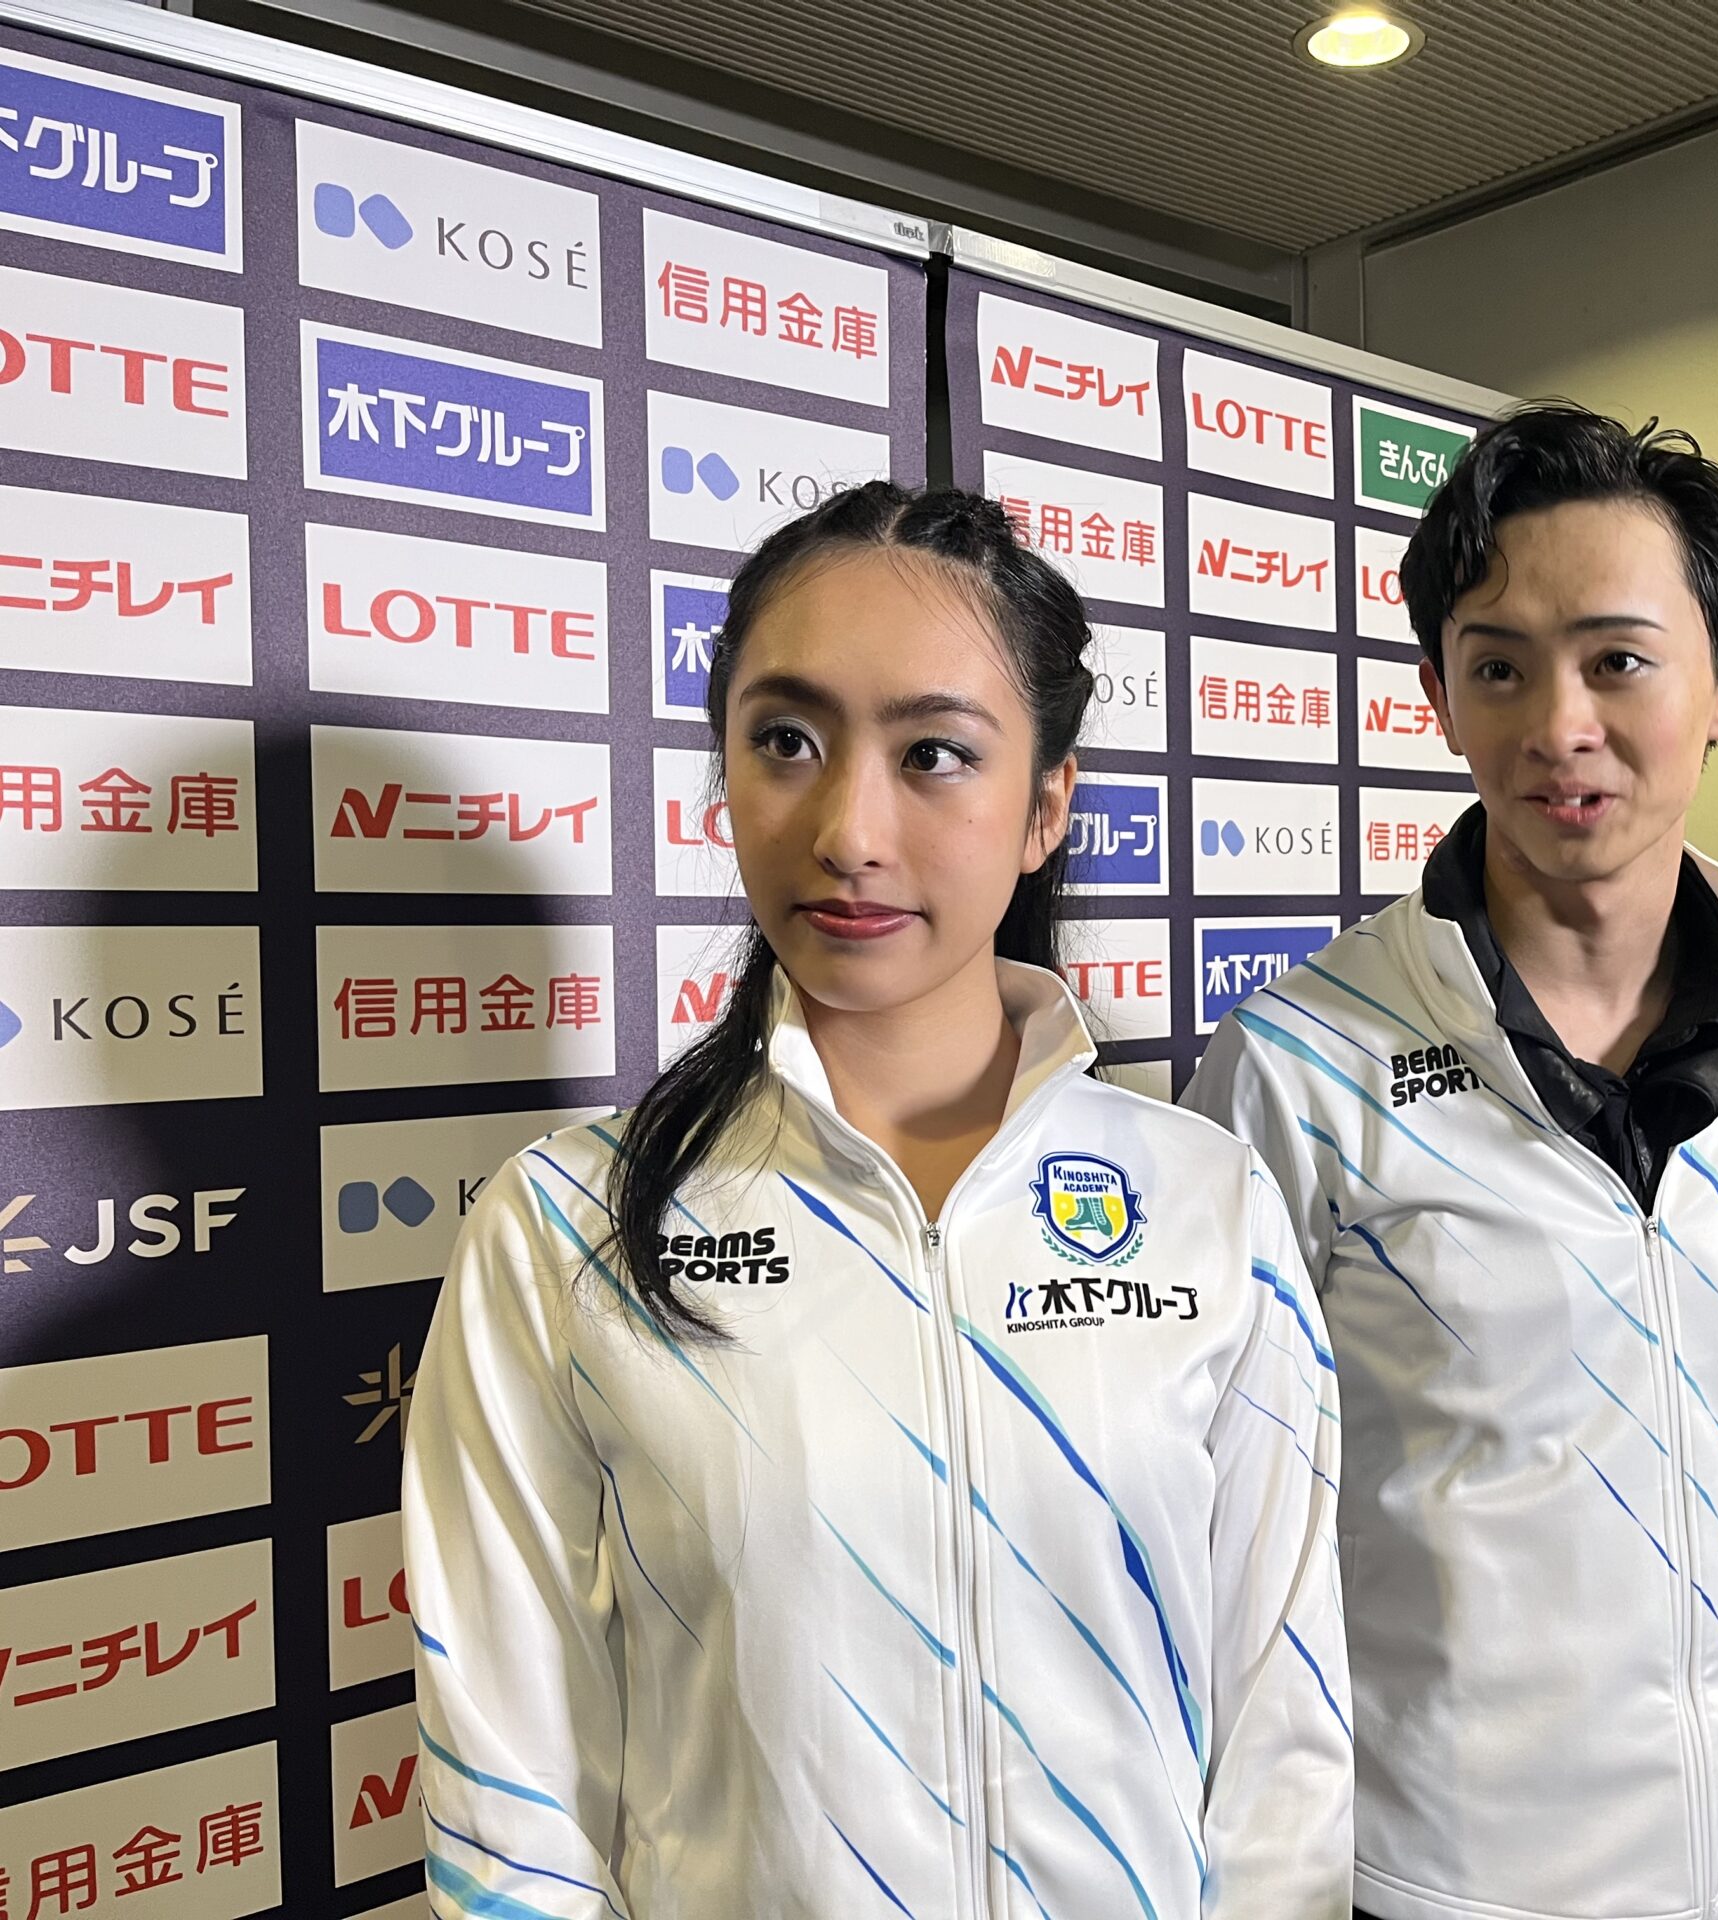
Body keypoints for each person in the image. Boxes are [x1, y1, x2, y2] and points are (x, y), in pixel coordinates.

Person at [402, 482, 1352, 1920]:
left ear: (1043, 808)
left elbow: (1282, 1743)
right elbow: (507, 1794)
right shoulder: (563, 1228)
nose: (849, 829)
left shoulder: (1207, 1200)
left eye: (934, 755)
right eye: (786, 740)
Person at [1185, 403, 1718, 1920]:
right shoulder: (1299, 1065)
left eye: (1618, 661)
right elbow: (1232, 1512)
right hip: (1455, 1878)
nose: (1558, 726)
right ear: (1440, 695)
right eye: (1498, 666)